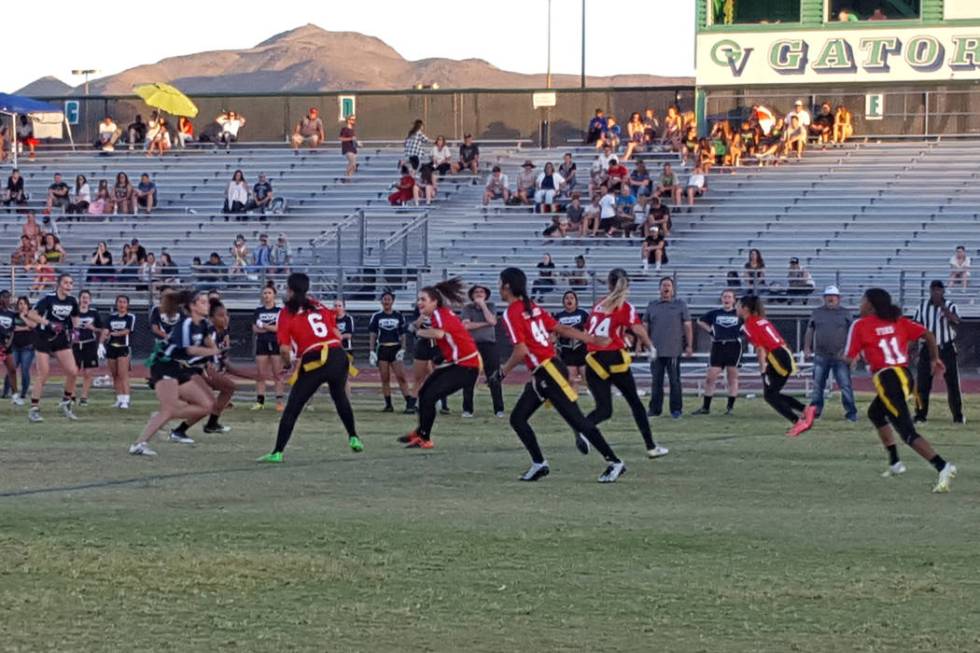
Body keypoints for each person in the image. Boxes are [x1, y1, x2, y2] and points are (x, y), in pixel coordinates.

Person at [496, 267, 626, 483]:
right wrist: (590, 338)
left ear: (507, 286)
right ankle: (539, 464)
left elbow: (521, 350)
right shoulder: (532, 307)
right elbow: (559, 328)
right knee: (518, 418)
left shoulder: (512, 312)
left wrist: (503, 371)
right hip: (546, 371)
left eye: (500, 283)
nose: (499, 288)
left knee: (577, 420)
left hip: (549, 371)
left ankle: (615, 462)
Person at [844, 288, 956, 492]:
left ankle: (943, 466)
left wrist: (837, 359)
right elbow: (928, 334)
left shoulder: (860, 325)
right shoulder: (898, 321)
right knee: (875, 413)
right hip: (904, 375)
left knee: (907, 432)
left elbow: (848, 358)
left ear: (870, 304)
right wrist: (934, 358)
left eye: (862, 301)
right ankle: (895, 463)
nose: (860, 305)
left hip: (888, 379)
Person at [256, 273, 363, 462]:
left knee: (293, 407)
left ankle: (277, 452)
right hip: (338, 355)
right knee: (340, 398)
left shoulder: (285, 313)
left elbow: (284, 349)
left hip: (315, 358)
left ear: (289, 290)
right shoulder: (319, 305)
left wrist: (288, 364)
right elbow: (336, 334)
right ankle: (353, 436)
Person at [584, 269, 669, 459]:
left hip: (593, 359)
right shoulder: (625, 306)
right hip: (613, 357)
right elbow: (637, 328)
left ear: (608, 284)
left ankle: (583, 428)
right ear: (627, 285)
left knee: (604, 409)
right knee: (635, 404)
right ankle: (651, 446)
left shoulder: (598, 305)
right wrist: (650, 346)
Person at [129, 290, 221, 455]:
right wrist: (210, 352)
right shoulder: (185, 325)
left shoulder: (203, 324)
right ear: (192, 306)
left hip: (177, 367)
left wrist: (214, 351)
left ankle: (160, 417)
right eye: (203, 302)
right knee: (169, 409)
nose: (207, 305)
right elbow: (189, 349)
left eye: (207, 302)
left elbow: (211, 345)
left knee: (207, 406)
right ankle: (139, 444)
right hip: (163, 365)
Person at [397, 279, 482, 449]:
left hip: (466, 366)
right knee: (425, 393)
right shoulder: (440, 312)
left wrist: (416, 330)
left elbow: (439, 334)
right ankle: (421, 432)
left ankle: (425, 438)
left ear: (434, 302)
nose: (419, 302)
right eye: (419, 299)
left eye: (423, 299)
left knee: (429, 396)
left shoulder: (437, 314)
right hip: (461, 362)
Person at [738, 295, 815, 437]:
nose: (737, 308)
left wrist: (762, 371)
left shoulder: (749, 325)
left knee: (771, 396)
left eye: (738, 305)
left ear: (745, 308)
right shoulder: (761, 320)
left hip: (777, 357)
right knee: (772, 394)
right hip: (783, 352)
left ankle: (799, 421)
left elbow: (760, 349)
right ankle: (806, 410)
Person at [27, 274, 81, 422]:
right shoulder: (48, 298)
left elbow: (75, 316)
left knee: (73, 371)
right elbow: (31, 314)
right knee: (43, 374)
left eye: (71, 283)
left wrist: (76, 331)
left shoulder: (72, 301)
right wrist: (49, 323)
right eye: (66, 282)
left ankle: (66, 402)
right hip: (43, 338)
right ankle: (34, 409)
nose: (69, 285)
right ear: (59, 284)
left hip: (60, 338)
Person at [803, 285, 858, 421]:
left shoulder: (846, 313)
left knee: (845, 385)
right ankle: (815, 412)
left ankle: (851, 413)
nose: (831, 299)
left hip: (841, 356)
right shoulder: (817, 312)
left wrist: (854, 353)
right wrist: (806, 347)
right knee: (817, 386)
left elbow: (854, 334)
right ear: (824, 298)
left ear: (838, 298)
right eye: (828, 296)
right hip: (821, 355)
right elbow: (810, 330)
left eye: (833, 296)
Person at [913, 281, 964, 424]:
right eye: (933, 290)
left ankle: (958, 416)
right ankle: (920, 415)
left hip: (946, 348)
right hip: (927, 349)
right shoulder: (921, 308)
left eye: (939, 290)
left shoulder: (951, 306)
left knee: (953, 384)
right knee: (922, 384)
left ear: (943, 292)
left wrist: (943, 309)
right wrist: (913, 349)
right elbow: (916, 329)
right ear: (929, 291)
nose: (936, 293)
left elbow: (957, 322)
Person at [645, 277, 693, 418]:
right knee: (656, 381)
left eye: (669, 285)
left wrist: (689, 345)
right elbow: (645, 326)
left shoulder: (680, 305)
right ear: (659, 288)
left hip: (673, 349)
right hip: (655, 350)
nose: (666, 288)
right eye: (663, 285)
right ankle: (655, 409)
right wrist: (642, 344)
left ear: (673, 289)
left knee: (674, 381)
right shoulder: (652, 305)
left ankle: (676, 410)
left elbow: (688, 326)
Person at [692, 289, 742, 416]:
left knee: (732, 377)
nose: (727, 299)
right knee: (710, 377)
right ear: (721, 299)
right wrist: (710, 331)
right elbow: (700, 321)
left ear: (734, 300)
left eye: (729, 297)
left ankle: (730, 408)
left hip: (733, 345)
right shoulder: (715, 313)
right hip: (718, 345)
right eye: (724, 297)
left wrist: (742, 332)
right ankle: (705, 407)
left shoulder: (739, 313)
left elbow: (750, 323)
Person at [460, 284, 505, 418]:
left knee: (493, 377)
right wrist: (485, 324)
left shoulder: (490, 306)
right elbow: (466, 326)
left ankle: (499, 409)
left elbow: (493, 321)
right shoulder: (468, 308)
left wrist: (483, 306)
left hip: (489, 345)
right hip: (472, 346)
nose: (479, 294)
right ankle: (467, 409)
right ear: (472, 295)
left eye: (482, 292)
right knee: (468, 377)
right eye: (476, 292)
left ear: (486, 295)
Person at [369, 291, 414, 413]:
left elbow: (403, 334)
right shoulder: (376, 316)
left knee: (401, 376)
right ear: (381, 301)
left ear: (393, 301)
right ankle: (388, 404)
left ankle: (409, 402)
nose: (386, 301)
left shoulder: (398, 315)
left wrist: (403, 349)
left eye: (389, 299)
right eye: (384, 299)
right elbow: (373, 334)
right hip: (382, 348)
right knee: (385, 378)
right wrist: (372, 351)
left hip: (395, 348)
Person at [252, 283, 285, 412]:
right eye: (265, 293)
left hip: (276, 344)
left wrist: (263, 326)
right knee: (260, 374)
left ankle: (279, 401)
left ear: (274, 295)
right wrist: (269, 328)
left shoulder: (279, 311)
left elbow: (279, 329)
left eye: (269, 293)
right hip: (262, 344)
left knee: (278, 374)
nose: (266, 295)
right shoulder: (258, 311)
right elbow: (255, 328)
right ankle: (260, 402)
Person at [72, 290, 104, 407]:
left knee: (88, 372)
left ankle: (84, 397)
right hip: (75, 344)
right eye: (83, 297)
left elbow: (102, 329)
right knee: (73, 372)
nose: (85, 300)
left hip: (89, 344)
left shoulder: (94, 313)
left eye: (87, 298)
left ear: (90, 300)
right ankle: (72, 395)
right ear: (79, 299)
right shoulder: (74, 312)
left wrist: (93, 328)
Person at [553, 291, 590, 391]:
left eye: (572, 298)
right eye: (567, 298)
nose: (569, 300)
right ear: (563, 302)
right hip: (567, 352)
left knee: (588, 379)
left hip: (582, 350)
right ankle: (573, 404)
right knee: (571, 380)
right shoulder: (558, 316)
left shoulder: (583, 314)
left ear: (576, 301)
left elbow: (591, 329)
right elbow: (553, 334)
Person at [104, 295, 136, 409]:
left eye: (124, 302)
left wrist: (114, 334)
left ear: (127, 304)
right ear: (116, 303)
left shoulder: (130, 317)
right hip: (111, 347)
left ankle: (126, 400)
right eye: (119, 302)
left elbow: (127, 331)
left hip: (123, 347)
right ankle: (119, 399)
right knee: (115, 374)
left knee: (123, 374)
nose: (122, 304)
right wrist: (102, 341)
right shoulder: (111, 317)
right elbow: (106, 330)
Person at [9, 296, 37, 406]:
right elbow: (11, 328)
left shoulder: (32, 315)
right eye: (20, 303)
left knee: (25, 371)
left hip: (28, 348)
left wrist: (23, 317)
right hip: (15, 347)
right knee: (11, 370)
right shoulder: (13, 315)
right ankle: (10, 393)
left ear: (27, 305)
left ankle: (23, 393)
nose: (22, 306)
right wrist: (24, 328)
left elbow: (32, 325)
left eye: (24, 303)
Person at [334, 298, 356, 397]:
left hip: (346, 349)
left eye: (339, 306)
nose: (337, 308)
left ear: (344, 307)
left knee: (345, 376)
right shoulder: (332, 319)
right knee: (334, 376)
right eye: (335, 306)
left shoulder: (348, 319)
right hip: (333, 349)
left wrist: (338, 336)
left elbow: (349, 334)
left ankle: (347, 399)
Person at [0, 291, 19, 401]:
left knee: (12, 369)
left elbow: (12, 330)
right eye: (4, 297)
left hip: (7, 346)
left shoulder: (11, 314)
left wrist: (8, 343)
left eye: (8, 297)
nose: (6, 299)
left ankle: (15, 394)